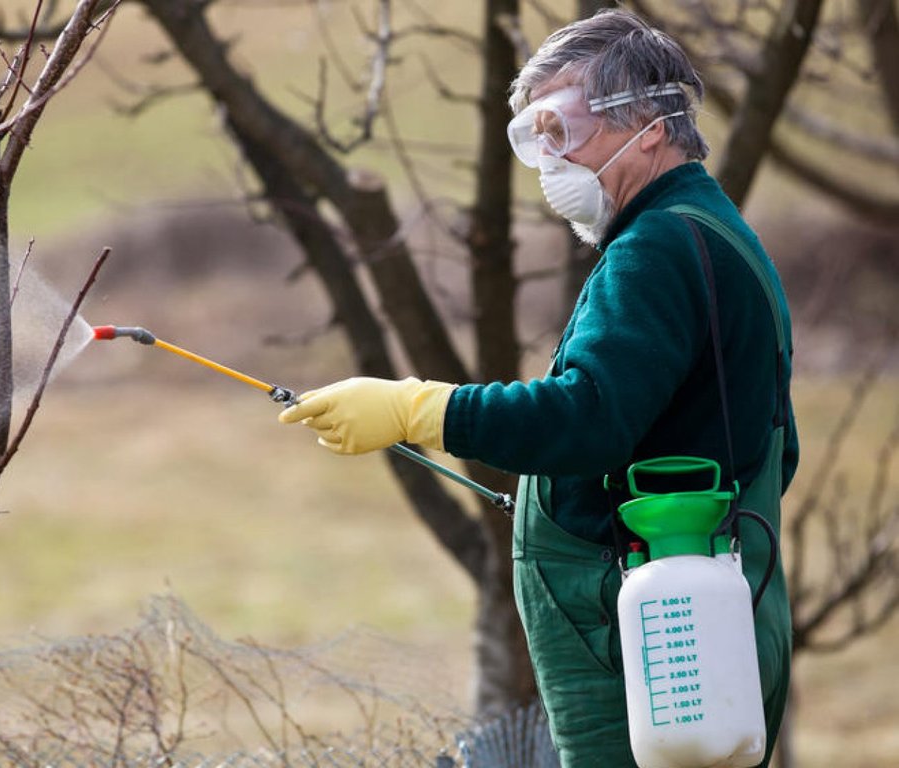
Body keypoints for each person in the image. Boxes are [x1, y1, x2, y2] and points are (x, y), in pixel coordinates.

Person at [277, 9, 797, 768]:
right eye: (534, 138)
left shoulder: (656, 249)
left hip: (655, 644)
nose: (549, 158)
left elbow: (587, 419)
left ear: (648, 125)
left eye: (562, 127)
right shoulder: (705, 231)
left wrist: (416, 408)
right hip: (687, 627)